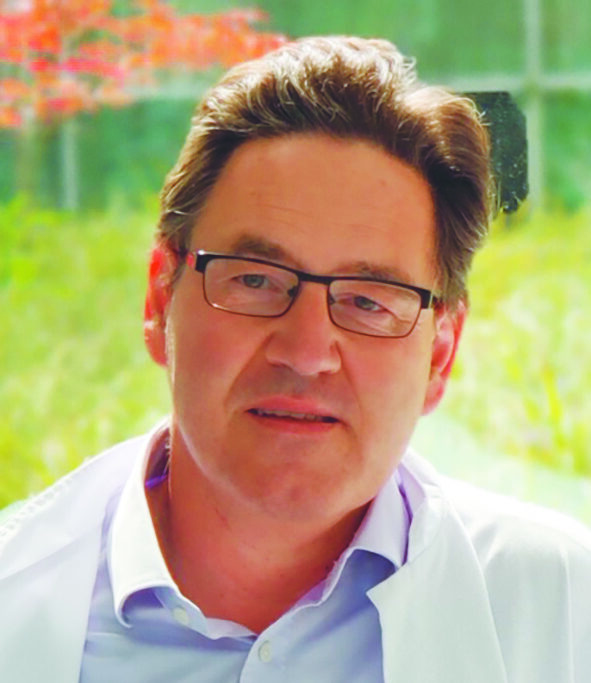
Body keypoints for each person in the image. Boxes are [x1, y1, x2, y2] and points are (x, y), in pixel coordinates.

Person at [1, 36, 590, 682]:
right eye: (255, 280)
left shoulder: (563, 611)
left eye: (368, 300)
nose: (306, 353)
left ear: (439, 354)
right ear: (160, 298)